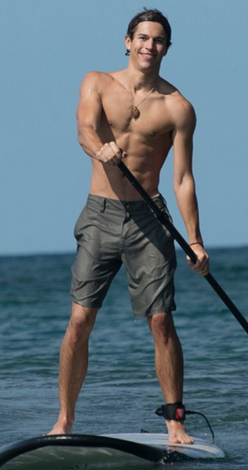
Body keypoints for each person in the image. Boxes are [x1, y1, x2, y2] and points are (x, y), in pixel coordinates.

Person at [49, 9, 209, 445]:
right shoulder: (97, 82)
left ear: (167, 49)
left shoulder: (178, 108)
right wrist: (98, 149)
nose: (148, 46)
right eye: (142, 37)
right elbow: (83, 129)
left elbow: (182, 178)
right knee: (80, 320)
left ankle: (175, 422)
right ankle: (64, 420)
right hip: (100, 214)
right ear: (127, 41)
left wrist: (194, 240)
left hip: (149, 219)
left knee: (161, 322)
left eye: (158, 40)